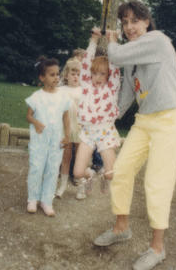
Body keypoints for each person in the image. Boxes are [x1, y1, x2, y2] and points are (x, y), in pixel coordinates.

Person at [93, 0, 176, 270]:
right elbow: (125, 96)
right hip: (145, 119)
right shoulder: (131, 58)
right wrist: (104, 118)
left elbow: (115, 55)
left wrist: (111, 41)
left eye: (134, 21)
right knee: (120, 171)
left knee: (157, 182)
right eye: (124, 23)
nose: (129, 27)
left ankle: (158, 248)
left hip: (171, 117)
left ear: (147, 21)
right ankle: (121, 227)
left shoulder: (157, 40)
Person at [73, 28, 121, 200]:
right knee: (78, 172)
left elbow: (115, 66)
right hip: (87, 133)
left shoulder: (112, 88)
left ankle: (104, 177)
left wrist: (112, 41)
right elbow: (86, 63)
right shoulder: (86, 85)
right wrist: (94, 40)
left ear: (108, 75)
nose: (97, 77)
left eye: (102, 73)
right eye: (94, 73)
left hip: (105, 132)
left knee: (111, 174)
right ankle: (90, 175)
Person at [25, 56, 71, 217]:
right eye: (52, 75)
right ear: (42, 77)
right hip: (40, 140)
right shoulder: (37, 96)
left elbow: (66, 117)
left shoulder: (63, 97)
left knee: (52, 169)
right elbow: (29, 116)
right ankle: (32, 198)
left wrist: (67, 135)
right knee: (37, 167)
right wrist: (36, 123)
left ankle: (46, 200)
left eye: (57, 74)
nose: (56, 78)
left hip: (56, 140)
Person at [56, 58, 82, 198]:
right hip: (66, 128)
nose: (75, 77)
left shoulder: (83, 91)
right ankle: (62, 185)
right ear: (66, 75)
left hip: (79, 129)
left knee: (79, 158)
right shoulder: (61, 90)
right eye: (73, 74)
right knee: (65, 157)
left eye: (78, 74)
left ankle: (81, 186)